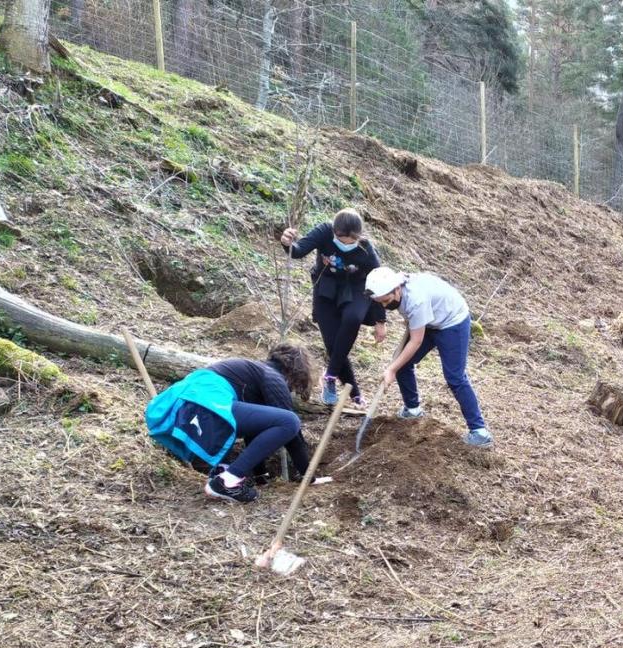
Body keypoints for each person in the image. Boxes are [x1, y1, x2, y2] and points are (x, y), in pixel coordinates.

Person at [363, 266, 493, 448]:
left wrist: (391, 369)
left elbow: (415, 341)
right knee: (402, 364)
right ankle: (413, 409)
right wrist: (396, 366)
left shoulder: (416, 299)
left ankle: (480, 432)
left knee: (455, 377)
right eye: (380, 302)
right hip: (430, 321)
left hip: (452, 322)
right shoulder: (396, 289)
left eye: (386, 300)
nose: (384, 305)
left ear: (397, 289)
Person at [280, 208, 383, 406]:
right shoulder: (324, 232)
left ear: (359, 237)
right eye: (340, 239)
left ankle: (330, 375)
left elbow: (378, 282)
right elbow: (298, 250)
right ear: (334, 231)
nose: (345, 244)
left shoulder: (366, 249)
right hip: (326, 288)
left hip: (356, 289)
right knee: (333, 343)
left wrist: (380, 320)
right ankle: (354, 393)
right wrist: (287, 243)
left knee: (353, 318)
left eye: (350, 241)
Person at [203, 345, 315, 503]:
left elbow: (253, 430)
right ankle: (226, 481)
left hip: (189, 406)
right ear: (296, 371)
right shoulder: (272, 376)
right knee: (289, 421)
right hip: (207, 404)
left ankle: (222, 472)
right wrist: (308, 475)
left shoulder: (251, 374)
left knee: (246, 422)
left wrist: (260, 477)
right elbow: (292, 432)